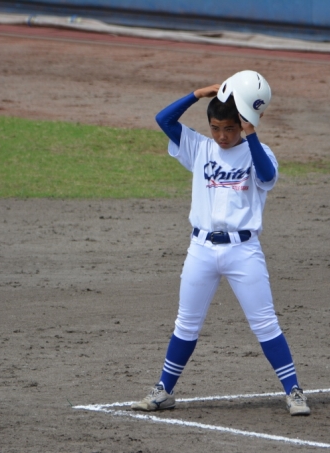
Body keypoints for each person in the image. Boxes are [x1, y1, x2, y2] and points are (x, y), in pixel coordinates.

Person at [131, 70, 310, 416]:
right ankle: (164, 390)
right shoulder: (199, 147)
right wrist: (197, 93)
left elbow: (268, 176)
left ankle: (294, 391)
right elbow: (163, 120)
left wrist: (251, 132)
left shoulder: (260, 153)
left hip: (243, 250)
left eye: (229, 128)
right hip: (200, 250)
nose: (222, 136)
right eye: (215, 128)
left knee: (265, 323)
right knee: (186, 324)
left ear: (241, 125)